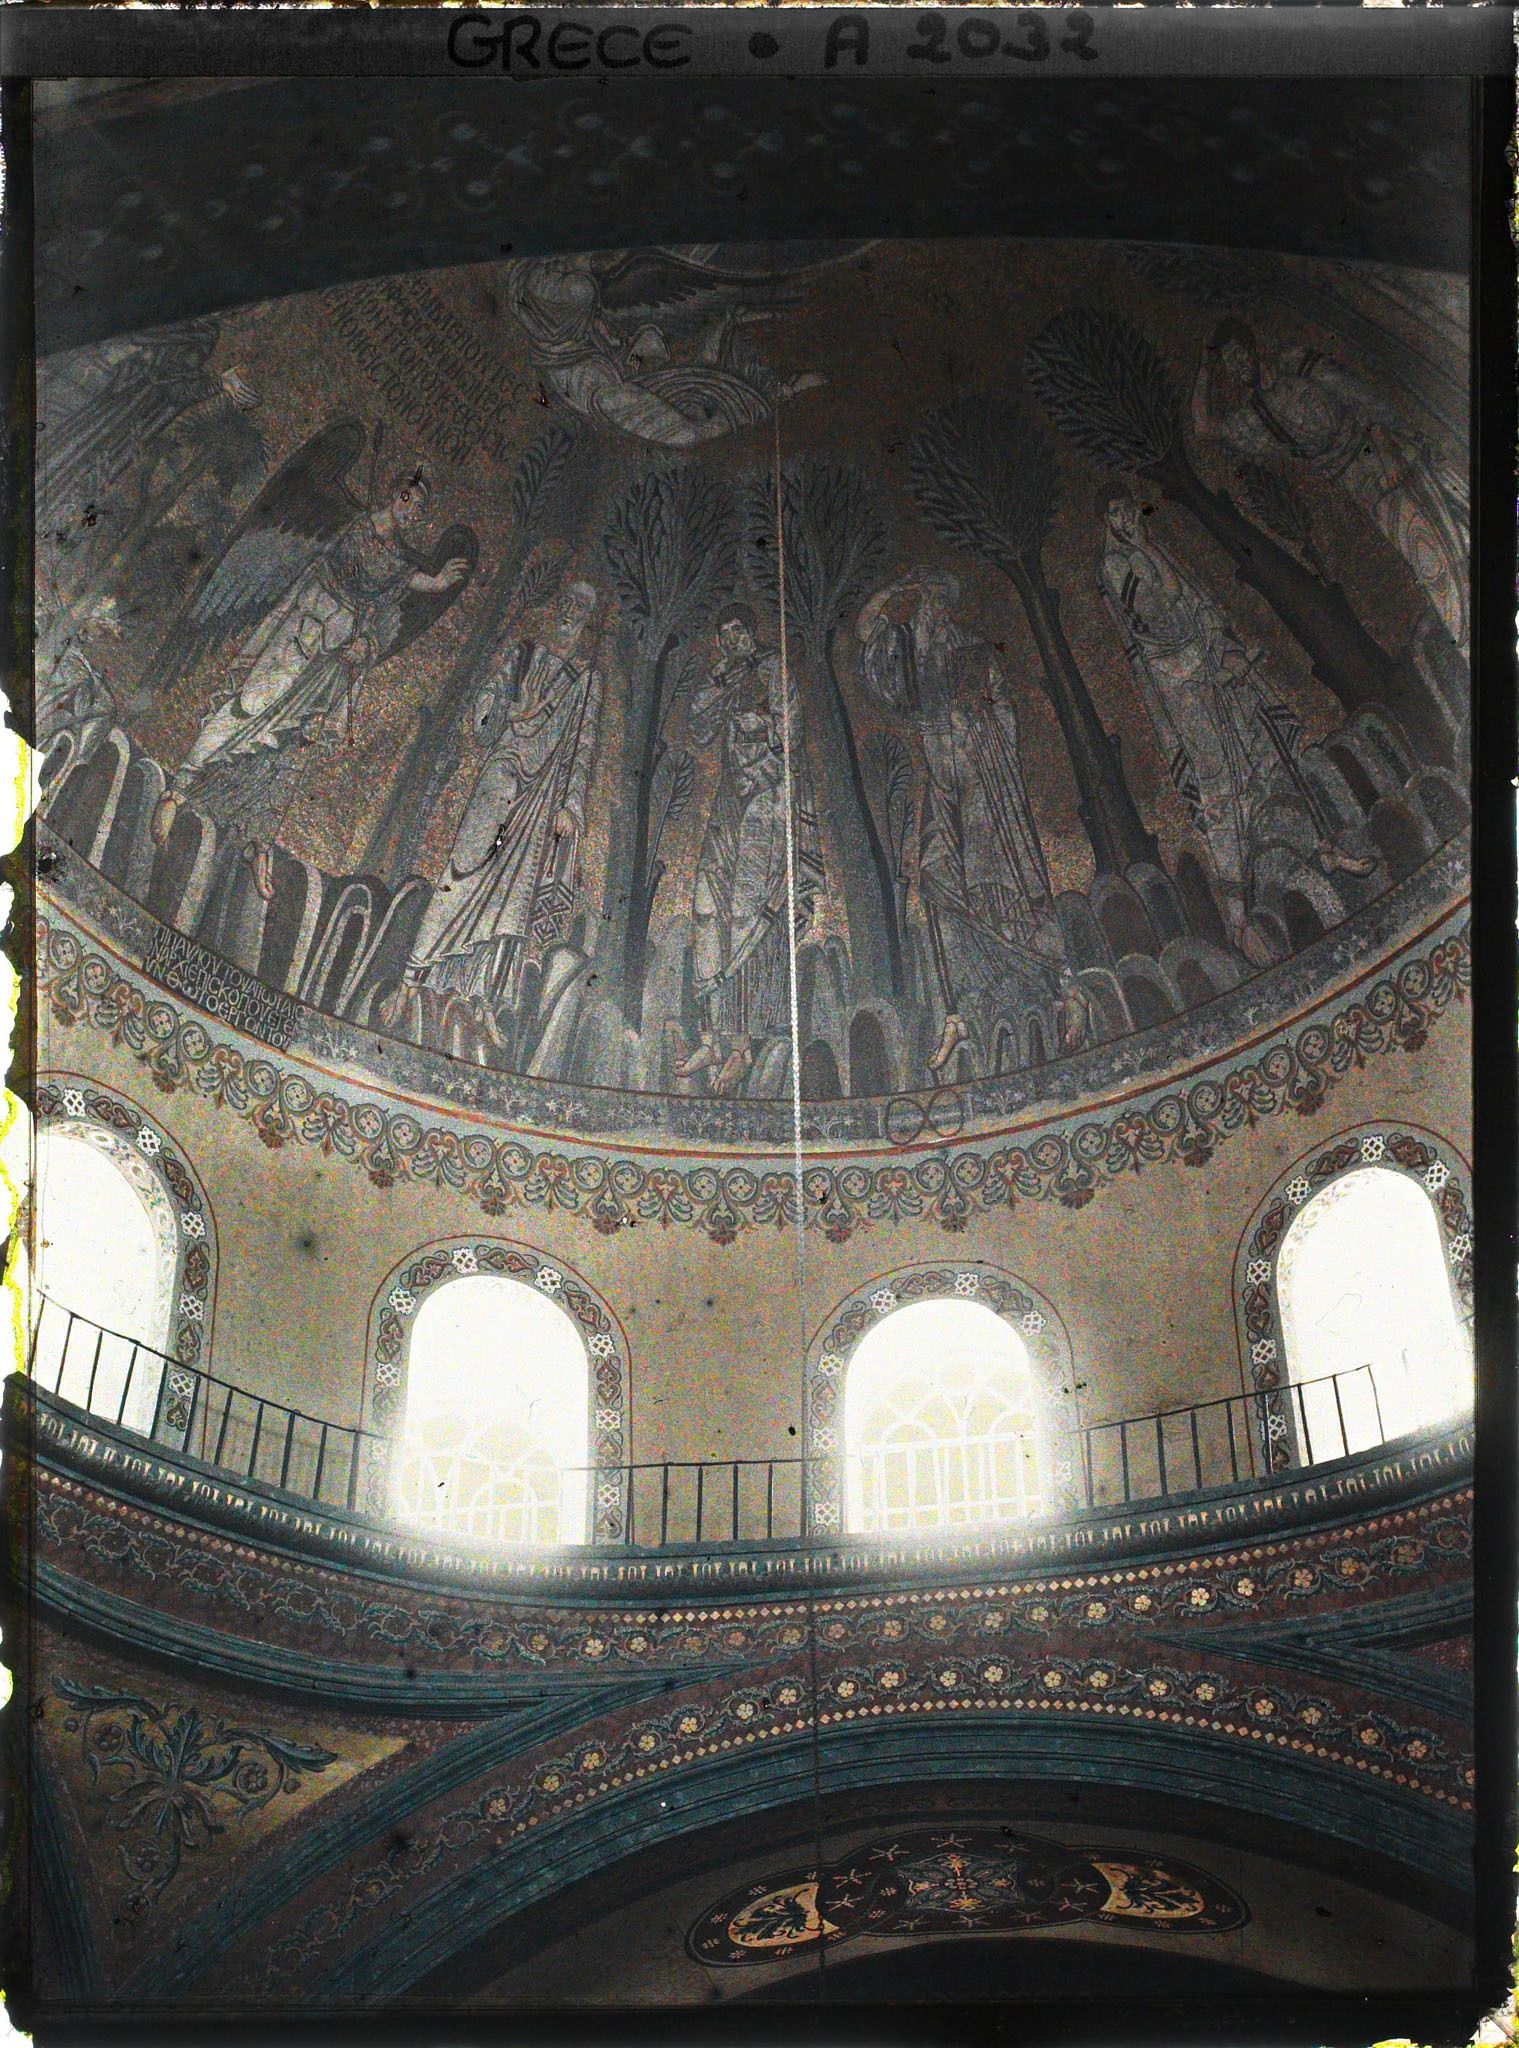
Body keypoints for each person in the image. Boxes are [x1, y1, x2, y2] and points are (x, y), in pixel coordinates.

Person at [151, 471, 468, 898]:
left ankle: (259, 842)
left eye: (421, 511)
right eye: (412, 502)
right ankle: (177, 790)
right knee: (250, 704)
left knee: (298, 743)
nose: (413, 514)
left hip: (334, 654)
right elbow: (329, 563)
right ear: (398, 494)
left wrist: (372, 639)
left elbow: (390, 605)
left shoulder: (398, 560)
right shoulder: (351, 526)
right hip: (301, 630)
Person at [1097, 491, 1374, 969]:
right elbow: (1158, 614)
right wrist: (1209, 664)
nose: (1128, 519)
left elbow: (1200, 605)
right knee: (1222, 794)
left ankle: (1323, 848)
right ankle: (1239, 923)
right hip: (1179, 685)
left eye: (1131, 509)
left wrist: (1227, 656)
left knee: (1269, 760)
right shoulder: (1115, 567)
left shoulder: (1151, 551)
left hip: (1209, 670)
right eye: (1118, 513)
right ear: (1107, 521)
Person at [857, 571, 1060, 1077]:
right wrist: (887, 613)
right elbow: (884, 684)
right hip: (944, 789)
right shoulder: (919, 665)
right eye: (924, 606)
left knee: (1005, 886)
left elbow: (1002, 713)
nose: (930, 613)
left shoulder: (973, 656)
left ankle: (1055, 987)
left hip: (986, 793)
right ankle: (957, 1015)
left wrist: (979, 722)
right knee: (934, 885)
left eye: (935, 604)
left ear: (947, 610)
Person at [401, 579, 606, 1036]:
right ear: (556, 606)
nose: (572, 609)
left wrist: (571, 803)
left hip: (544, 795)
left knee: (515, 896)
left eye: (583, 605)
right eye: (568, 599)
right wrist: (513, 713)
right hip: (503, 772)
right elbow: (486, 709)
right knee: (467, 866)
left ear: (589, 618)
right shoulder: (525, 653)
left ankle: (484, 998)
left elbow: (583, 743)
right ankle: (415, 975)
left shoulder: (588, 679)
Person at [1192, 318, 1469, 654]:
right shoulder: (1258, 414)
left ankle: (1475, 599)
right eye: (1229, 365)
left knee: (1442, 513)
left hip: (1381, 451)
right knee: (1413, 539)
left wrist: (1383, 444)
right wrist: (1205, 369)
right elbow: (1205, 428)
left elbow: (1355, 392)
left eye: (1239, 356)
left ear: (1252, 348)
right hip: (1356, 479)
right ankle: (1459, 618)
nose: (1237, 367)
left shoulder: (1295, 363)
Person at [675, 605, 823, 1096]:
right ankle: (712, 1037)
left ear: (752, 631)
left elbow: (790, 732)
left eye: (739, 629)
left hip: (768, 801)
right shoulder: (730, 675)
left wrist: (758, 726)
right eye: (724, 633)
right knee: (704, 905)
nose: (732, 638)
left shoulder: (771, 668)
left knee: (746, 918)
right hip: (730, 802)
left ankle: (741, 1046)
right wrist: (718, 683)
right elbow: (697, 729)